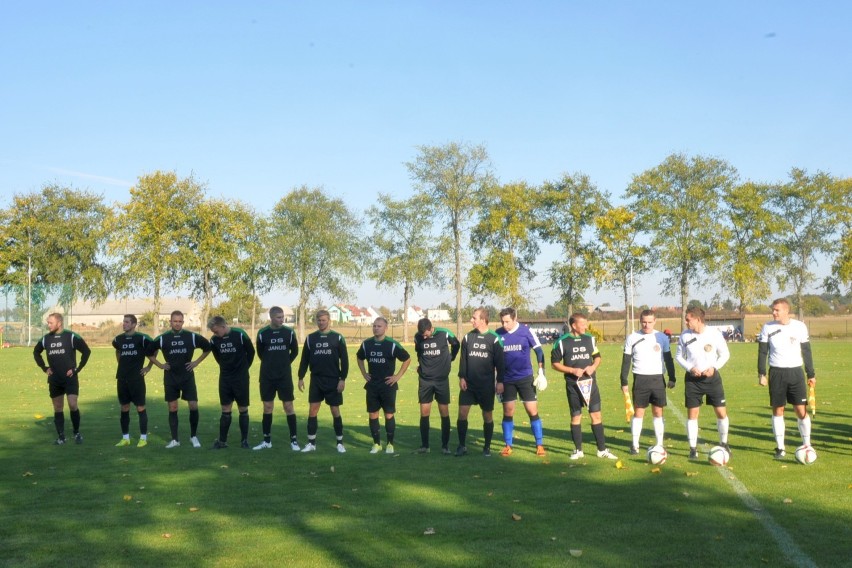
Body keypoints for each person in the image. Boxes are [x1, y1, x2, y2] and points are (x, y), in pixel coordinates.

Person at [551, 313, 618, 460]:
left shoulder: (590, 339)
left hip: (590, 383)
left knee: (596, 415)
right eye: (583, 324)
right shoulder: (562, 342)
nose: (586, 326)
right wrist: (572, 370)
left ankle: (602, 450)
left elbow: (597, 357)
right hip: (573, 386)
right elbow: (554, 363)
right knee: (576, 416)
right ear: (574, 325)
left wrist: (593, 366)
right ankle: (578, 450)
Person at [757, 298, 816, 460]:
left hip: (796, 373)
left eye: (777, 310)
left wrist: (811, 374)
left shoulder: (799, 326)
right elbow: (762, 352)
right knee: (778, 410)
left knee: (801, 410)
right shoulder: (767, 327)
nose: (773, 312)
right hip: (777, 373)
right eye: (773, 309)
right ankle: (780, 448)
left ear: (786, 311)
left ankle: (807, 444)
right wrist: (762, 373)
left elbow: (807, 351)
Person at [149, 310, 213, 448]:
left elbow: (208, 348)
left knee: (193, 405)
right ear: (170, 322)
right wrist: (160, 365)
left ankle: (193, 436)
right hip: (170, 377)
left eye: (180, 321)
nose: (177, 324)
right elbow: (148, 352)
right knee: (173, 407)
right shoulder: (162, 338)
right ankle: (175, 440)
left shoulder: (191, 337)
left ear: (183, 322)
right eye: (175, 321)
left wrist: (196, 362)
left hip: (187, 376)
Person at [675, 306, 731, 460]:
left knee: (721, 412)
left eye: (688, 319)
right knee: (693, 414)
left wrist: (714, 368)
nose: (686, 322)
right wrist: (690, 368)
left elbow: (725, 354)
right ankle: (693, 449)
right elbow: (679, 356)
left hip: (712, 379)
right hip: (693, 381)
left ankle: (724, 443)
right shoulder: (685, 336)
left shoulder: (714, 334)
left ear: (697, 319)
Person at [620, 309, 677, 454]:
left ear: (655, 321)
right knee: (639, 412)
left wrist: (672, 377)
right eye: (644, 322)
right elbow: (626, 361)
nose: (646, 325)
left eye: (650, 322)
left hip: (657, 379)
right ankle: (634, 445)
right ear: (640, 321)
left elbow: (668, 358)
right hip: (640, 379)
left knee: (658, 412)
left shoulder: (662, 338)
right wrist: (624, 381)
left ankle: (659, 444)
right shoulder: (632, 337)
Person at [33, 313, 91, 445]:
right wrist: (44, 368)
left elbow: (87, 351)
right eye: (48, 323)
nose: (48, 325)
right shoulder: (45, 339)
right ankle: (61, 437)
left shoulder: (71, 336)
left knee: (72, 404)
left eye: (50, 323)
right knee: (58, 408)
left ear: (59, 323)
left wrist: (77, 369)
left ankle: (76, 433)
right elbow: (36, 352)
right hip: (55, 379)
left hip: (70, 378)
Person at [356, 316, 411, 454]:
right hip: (372, 385)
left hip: (388, 385)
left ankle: (390, 444)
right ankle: (376, 444)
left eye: (379, 326)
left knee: (389, 414)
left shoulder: (392, 344)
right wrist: (364, 373)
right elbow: (359, 357)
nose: (376, 328)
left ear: (385, 328)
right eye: (374, 326)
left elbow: (407, 358)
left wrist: (397, 376)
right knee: (373, 414)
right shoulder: (366, 344)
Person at [496, 307, 546, 457]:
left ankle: (539, 444)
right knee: (508, 412)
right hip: (507, 380)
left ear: (515, 318)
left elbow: (539, 351)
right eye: (502, 321)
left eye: (507, 321)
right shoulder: (498, 334)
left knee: (532, 411)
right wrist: (496, 381)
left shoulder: (526, 331)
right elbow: (494, 359)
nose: (505, 325)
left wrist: (541, 372)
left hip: (525, 378)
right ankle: (508, 445)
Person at [298, 309, 348, 453]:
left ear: (329, 321)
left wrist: (342, 379)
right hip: (316, 380)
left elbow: (344, 361)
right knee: (312, 411)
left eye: (324, 320)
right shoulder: (310, 338)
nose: (321, 322)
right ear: (316, 321)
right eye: (319, 320)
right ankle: (311, 443)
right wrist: (301, 377)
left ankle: (340, 443)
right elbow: (304, 360)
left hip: (333, 380)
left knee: (335, 410)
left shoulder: (337, 338)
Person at [456, 308, 504, 457]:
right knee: (462, 414)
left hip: (486, 386)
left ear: (483, 320)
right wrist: (462, 377)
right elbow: (463, 360)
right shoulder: (467, 338)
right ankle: (462, 446)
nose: (471, 320)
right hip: (468, 385)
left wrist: (500, 382)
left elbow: (500, 364)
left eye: (474, 318)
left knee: (487, 415)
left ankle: (487, 447)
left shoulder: (495, 339)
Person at [254, 306, 301, 451]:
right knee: (268, 407)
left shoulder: (289, 332)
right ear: (271, 317)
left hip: (284, 376)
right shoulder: (262, 333)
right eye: (279, 317)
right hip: (267, 376)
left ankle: (293, 440)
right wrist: (271, 364)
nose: (282, 320)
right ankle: (267, 440)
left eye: (283, 317)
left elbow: (295, 351)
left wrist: (284, 363)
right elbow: (260, 353)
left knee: (288, 407)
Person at [413, 317, 460, 454]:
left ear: (430, 328)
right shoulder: (418, 337)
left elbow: (456, 344)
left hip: (441, 380)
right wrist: (421, 366)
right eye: (421, 334)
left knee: (444, 412)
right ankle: (425, 446)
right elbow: (418, 352)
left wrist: (452, 357)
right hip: (425, 380)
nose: (424, 336)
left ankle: (445, 446)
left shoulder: (444, 333)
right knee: (424, 413)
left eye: (425, 333)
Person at [208, 316, 255, 449]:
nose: (215, 334)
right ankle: (222, 442)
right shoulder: (214, 340)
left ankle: (244, 441)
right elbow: (218, 357)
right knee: (225, 409)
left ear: (223, 326)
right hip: (225, 378)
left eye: (216, 331)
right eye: (213, 332)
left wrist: (244, 368)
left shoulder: (240, 335)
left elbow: (251, 352)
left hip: (241, 378)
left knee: (243, 408)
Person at [112, 314, 155, 447]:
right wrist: (121, 363)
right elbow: (118, 351)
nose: (124, 324)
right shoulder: (118, 339)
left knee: (140, 407)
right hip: (122, 378)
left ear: (133, 324)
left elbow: (154, 350)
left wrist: (148, 367)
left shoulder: (142, 338)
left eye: (127, 322)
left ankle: (143, 438)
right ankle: (125, 438)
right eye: (123, 322)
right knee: (124, 407)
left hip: (136, 379)